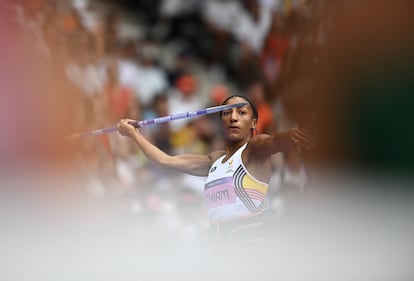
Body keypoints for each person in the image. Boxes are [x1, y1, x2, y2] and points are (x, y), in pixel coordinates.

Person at [117, 94, 314, 247]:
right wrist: (134, 134)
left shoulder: (255, 149)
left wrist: (291, 136)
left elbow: (274, 142)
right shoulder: (214, 161)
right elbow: (164, 161)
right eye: (227, 113)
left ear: (254, 123)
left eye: (242, 113)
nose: (233, 118)